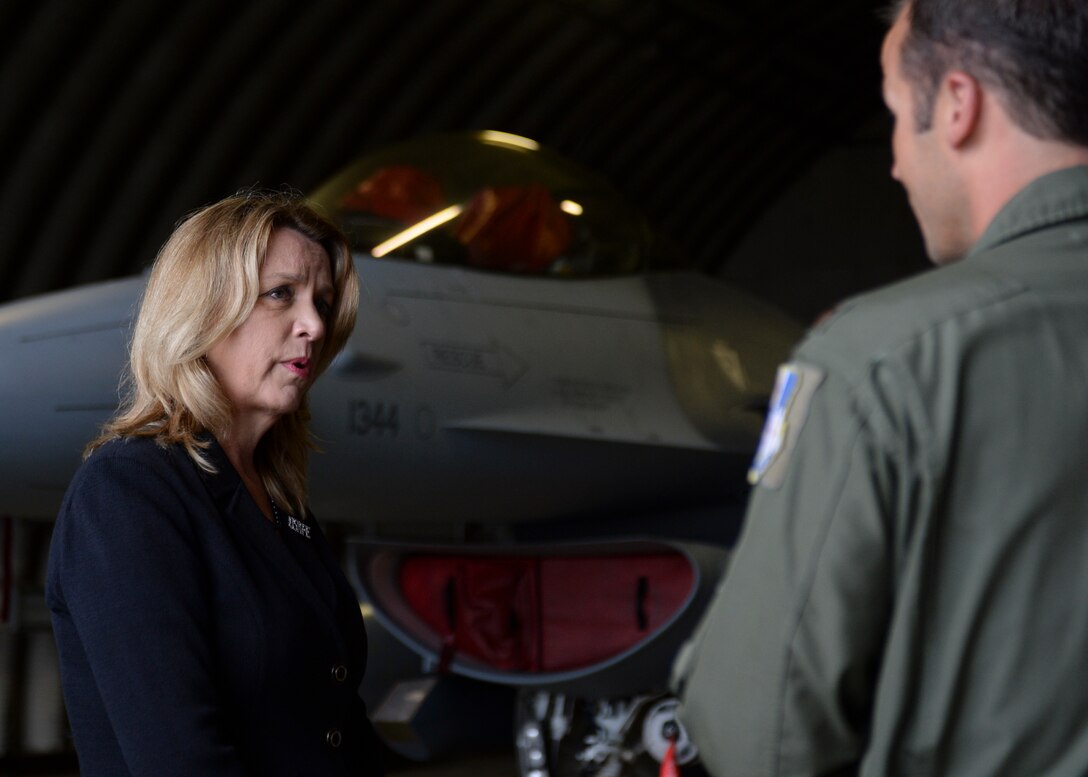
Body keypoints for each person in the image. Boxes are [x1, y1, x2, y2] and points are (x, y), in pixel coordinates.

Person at [675, 0, 1088, 774]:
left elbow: (761, 734)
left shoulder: (881, 358)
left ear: (959, 106)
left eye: (897, 113)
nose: (895, 162)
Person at [46, 190, 384, 776]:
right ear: (203, 309)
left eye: (323, 302)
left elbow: (333, 722)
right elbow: (179, 757)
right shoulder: (128, 491)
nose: (313, 325)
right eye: (281, 294)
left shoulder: (278, 497)